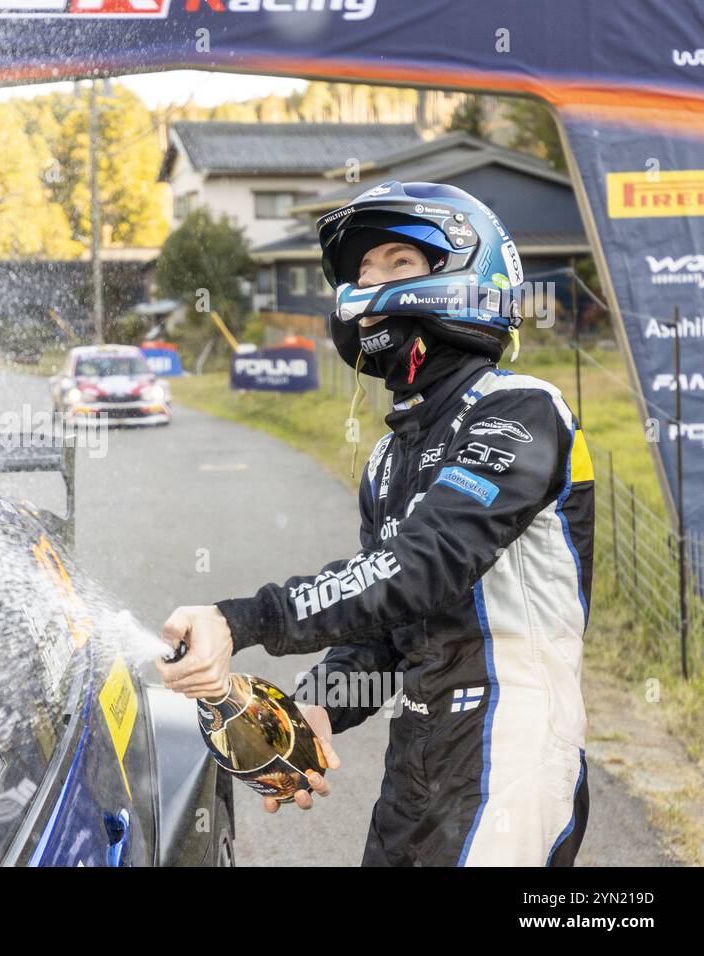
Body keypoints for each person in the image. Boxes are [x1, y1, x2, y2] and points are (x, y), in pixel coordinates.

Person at [157, 181, 594, 867]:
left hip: (512, 745)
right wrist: (315, 710)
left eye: (397, 264)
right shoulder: (391, 456)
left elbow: (423, 564)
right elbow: (389, 627)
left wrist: (243, 619)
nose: (370, 285)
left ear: (468, 275)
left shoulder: (521, 410)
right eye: (362, 272)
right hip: (417, 756)